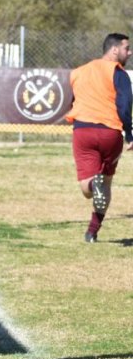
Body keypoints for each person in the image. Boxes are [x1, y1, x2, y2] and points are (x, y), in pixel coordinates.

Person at [65, 33, 133, 242]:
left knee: (87, 189)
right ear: (114, 50)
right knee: (106, 183)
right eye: (126, 48)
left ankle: (93, 184)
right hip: (110, 133)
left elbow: (73, 101)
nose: (129, 52)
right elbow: (124, 105)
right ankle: (92, 231)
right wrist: (130, 134)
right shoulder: (118, 72)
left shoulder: (78, 72)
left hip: (83, 131)